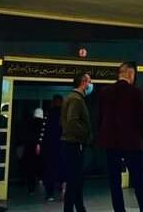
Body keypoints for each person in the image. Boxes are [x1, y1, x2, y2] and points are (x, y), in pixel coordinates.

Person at [98, 62, 143, 212]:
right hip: (131, 142)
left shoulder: (105, 92)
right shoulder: (136, 92)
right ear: (130, 74)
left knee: (114, 183)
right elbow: (141, 119)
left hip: (110, 143)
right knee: (139, 180)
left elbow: (100, 117)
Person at [61, 73, 94, 212]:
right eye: (89, 82)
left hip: (71, 143)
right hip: (74, 143)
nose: (91, 85)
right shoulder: (76, 99)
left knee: (76, 180)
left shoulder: (71, 98)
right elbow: (72, 122)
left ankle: (79, 207)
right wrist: (86, 133)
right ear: (83, 82)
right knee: (74, 180)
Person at [43, 95, 65, 202]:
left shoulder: (49, 114)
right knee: (62, 169)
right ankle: (62, 189)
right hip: (62, 145)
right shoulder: (64, 114)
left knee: (49, 170)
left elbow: (45, 131)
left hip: (50, 146)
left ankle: (49, 193)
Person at [21, 108, 45, 194]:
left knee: (30, 169)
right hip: (39, 149)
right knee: (39, 166)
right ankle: (40, 179)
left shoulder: (28, 124)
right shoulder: (42, 124)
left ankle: (31, 187)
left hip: (30, 149)